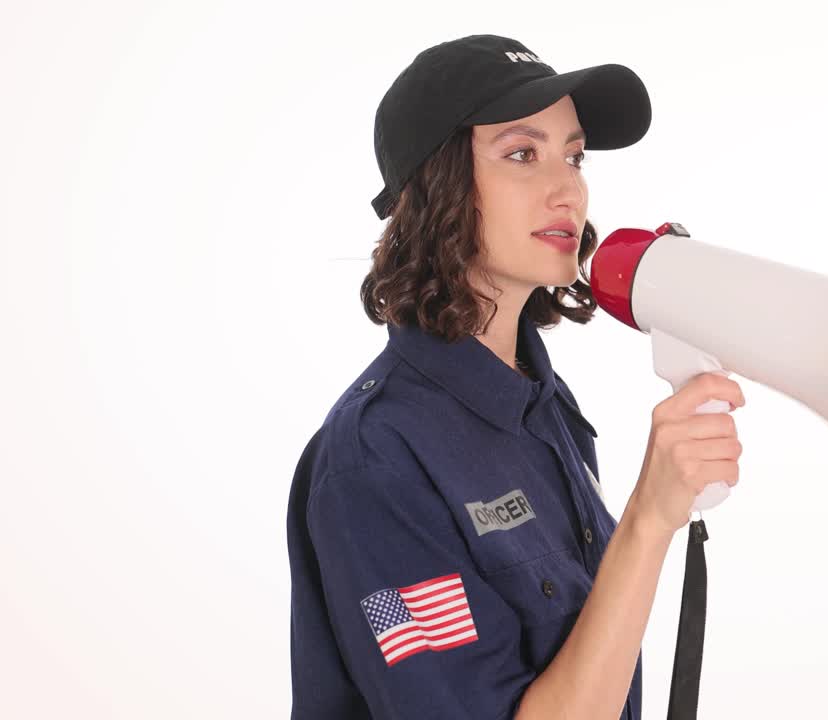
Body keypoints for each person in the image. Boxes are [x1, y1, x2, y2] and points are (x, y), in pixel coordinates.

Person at [285, 35, 746, 720]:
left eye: (574, 154)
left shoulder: (544, 405)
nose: (568, 188)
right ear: (436, 187)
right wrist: (649, 520)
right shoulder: (373, 464)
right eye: (523, 154)